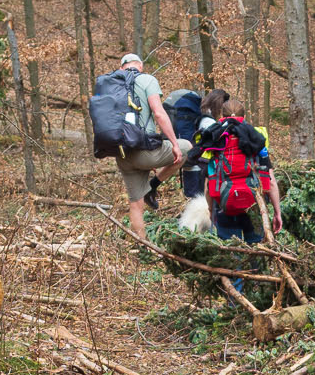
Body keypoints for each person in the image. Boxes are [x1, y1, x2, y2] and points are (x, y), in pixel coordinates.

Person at [110, 54, 190, 238]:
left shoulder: (111, 84)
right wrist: (175, 145)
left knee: (135, 205)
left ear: (121, 67)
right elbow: (159, 114)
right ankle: (154, 185)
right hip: (145, 151)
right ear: (140, 66)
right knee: (187, 147)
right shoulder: (147, 80)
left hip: (122, 154)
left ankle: (144, 246)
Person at [191, 89, 283, 243]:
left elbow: (209, 185)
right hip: (255, 205)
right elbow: (271, 181)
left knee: (230, 255)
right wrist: (277, 213)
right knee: (256, 251)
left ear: (221, 116)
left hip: (224, 207)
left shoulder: (215, 141)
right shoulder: (256, 140)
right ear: (244, 117)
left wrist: (211, 209)